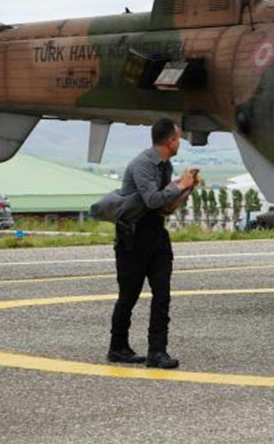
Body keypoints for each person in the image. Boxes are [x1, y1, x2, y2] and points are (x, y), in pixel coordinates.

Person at [108, 117, 197, 369]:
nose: (180, 142)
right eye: (178, 138)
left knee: (162, 294)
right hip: (133, 237)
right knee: (129, 295)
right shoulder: (143, 164)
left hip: (156, 234)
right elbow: (152, 200)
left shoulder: (165, 166)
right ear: (170, 140)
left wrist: (185, 189)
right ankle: (118, 347)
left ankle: (157, 352)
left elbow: (165, 208)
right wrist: (178, 186)